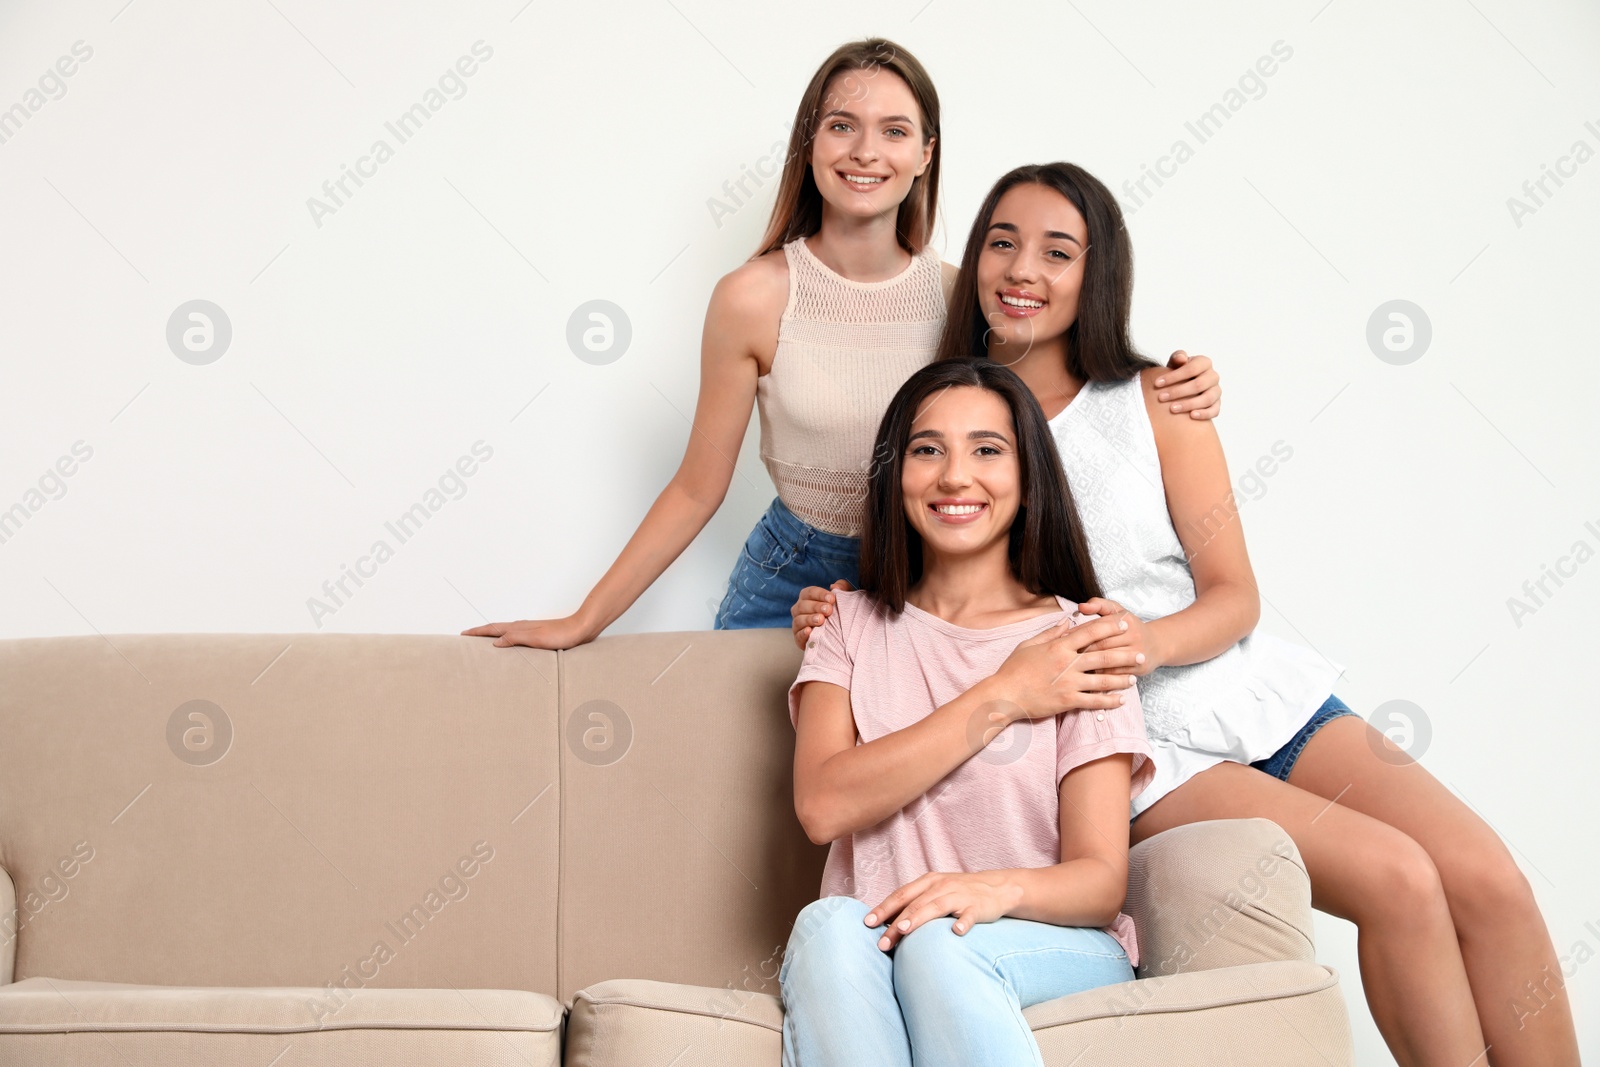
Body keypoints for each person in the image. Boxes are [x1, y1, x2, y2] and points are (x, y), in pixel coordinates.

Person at [793, 162, 1580, 1067]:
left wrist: (1151, 639)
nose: (1023, 269)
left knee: (1487, 875)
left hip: (1233, 684)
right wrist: (821, 608)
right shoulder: (961, 418)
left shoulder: (1158, 396)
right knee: (1398, 877)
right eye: (1002, 242)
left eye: (1059, 251)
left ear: (1099, 275)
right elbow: (914, 585)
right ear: (972, 260)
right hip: (1139, 735)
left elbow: (1235, 594)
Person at [463, 38, 1219, 650]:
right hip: (793, 577)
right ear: (811, 142)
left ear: (926, 154)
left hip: (928, 581)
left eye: (893, 131)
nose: (865, 151)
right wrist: (583, 619)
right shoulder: (752, 297)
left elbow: (1068, 385)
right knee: (754, 813)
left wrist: (1181, 381)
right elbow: (697, 487)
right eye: (841, 126)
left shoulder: (969, 295)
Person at [782, 356, 1154, 1067]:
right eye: (928, 450)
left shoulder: (1083, 642)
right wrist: (1003, 693)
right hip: (882, 936)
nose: (955, 476)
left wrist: (986, 891)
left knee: (939, 944)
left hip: (1045, 943)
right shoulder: (846, 624)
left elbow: (1100, 881)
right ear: (896, 474)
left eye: (988, 449)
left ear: (1028, 474)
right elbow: (822, 805)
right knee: (827, 925)